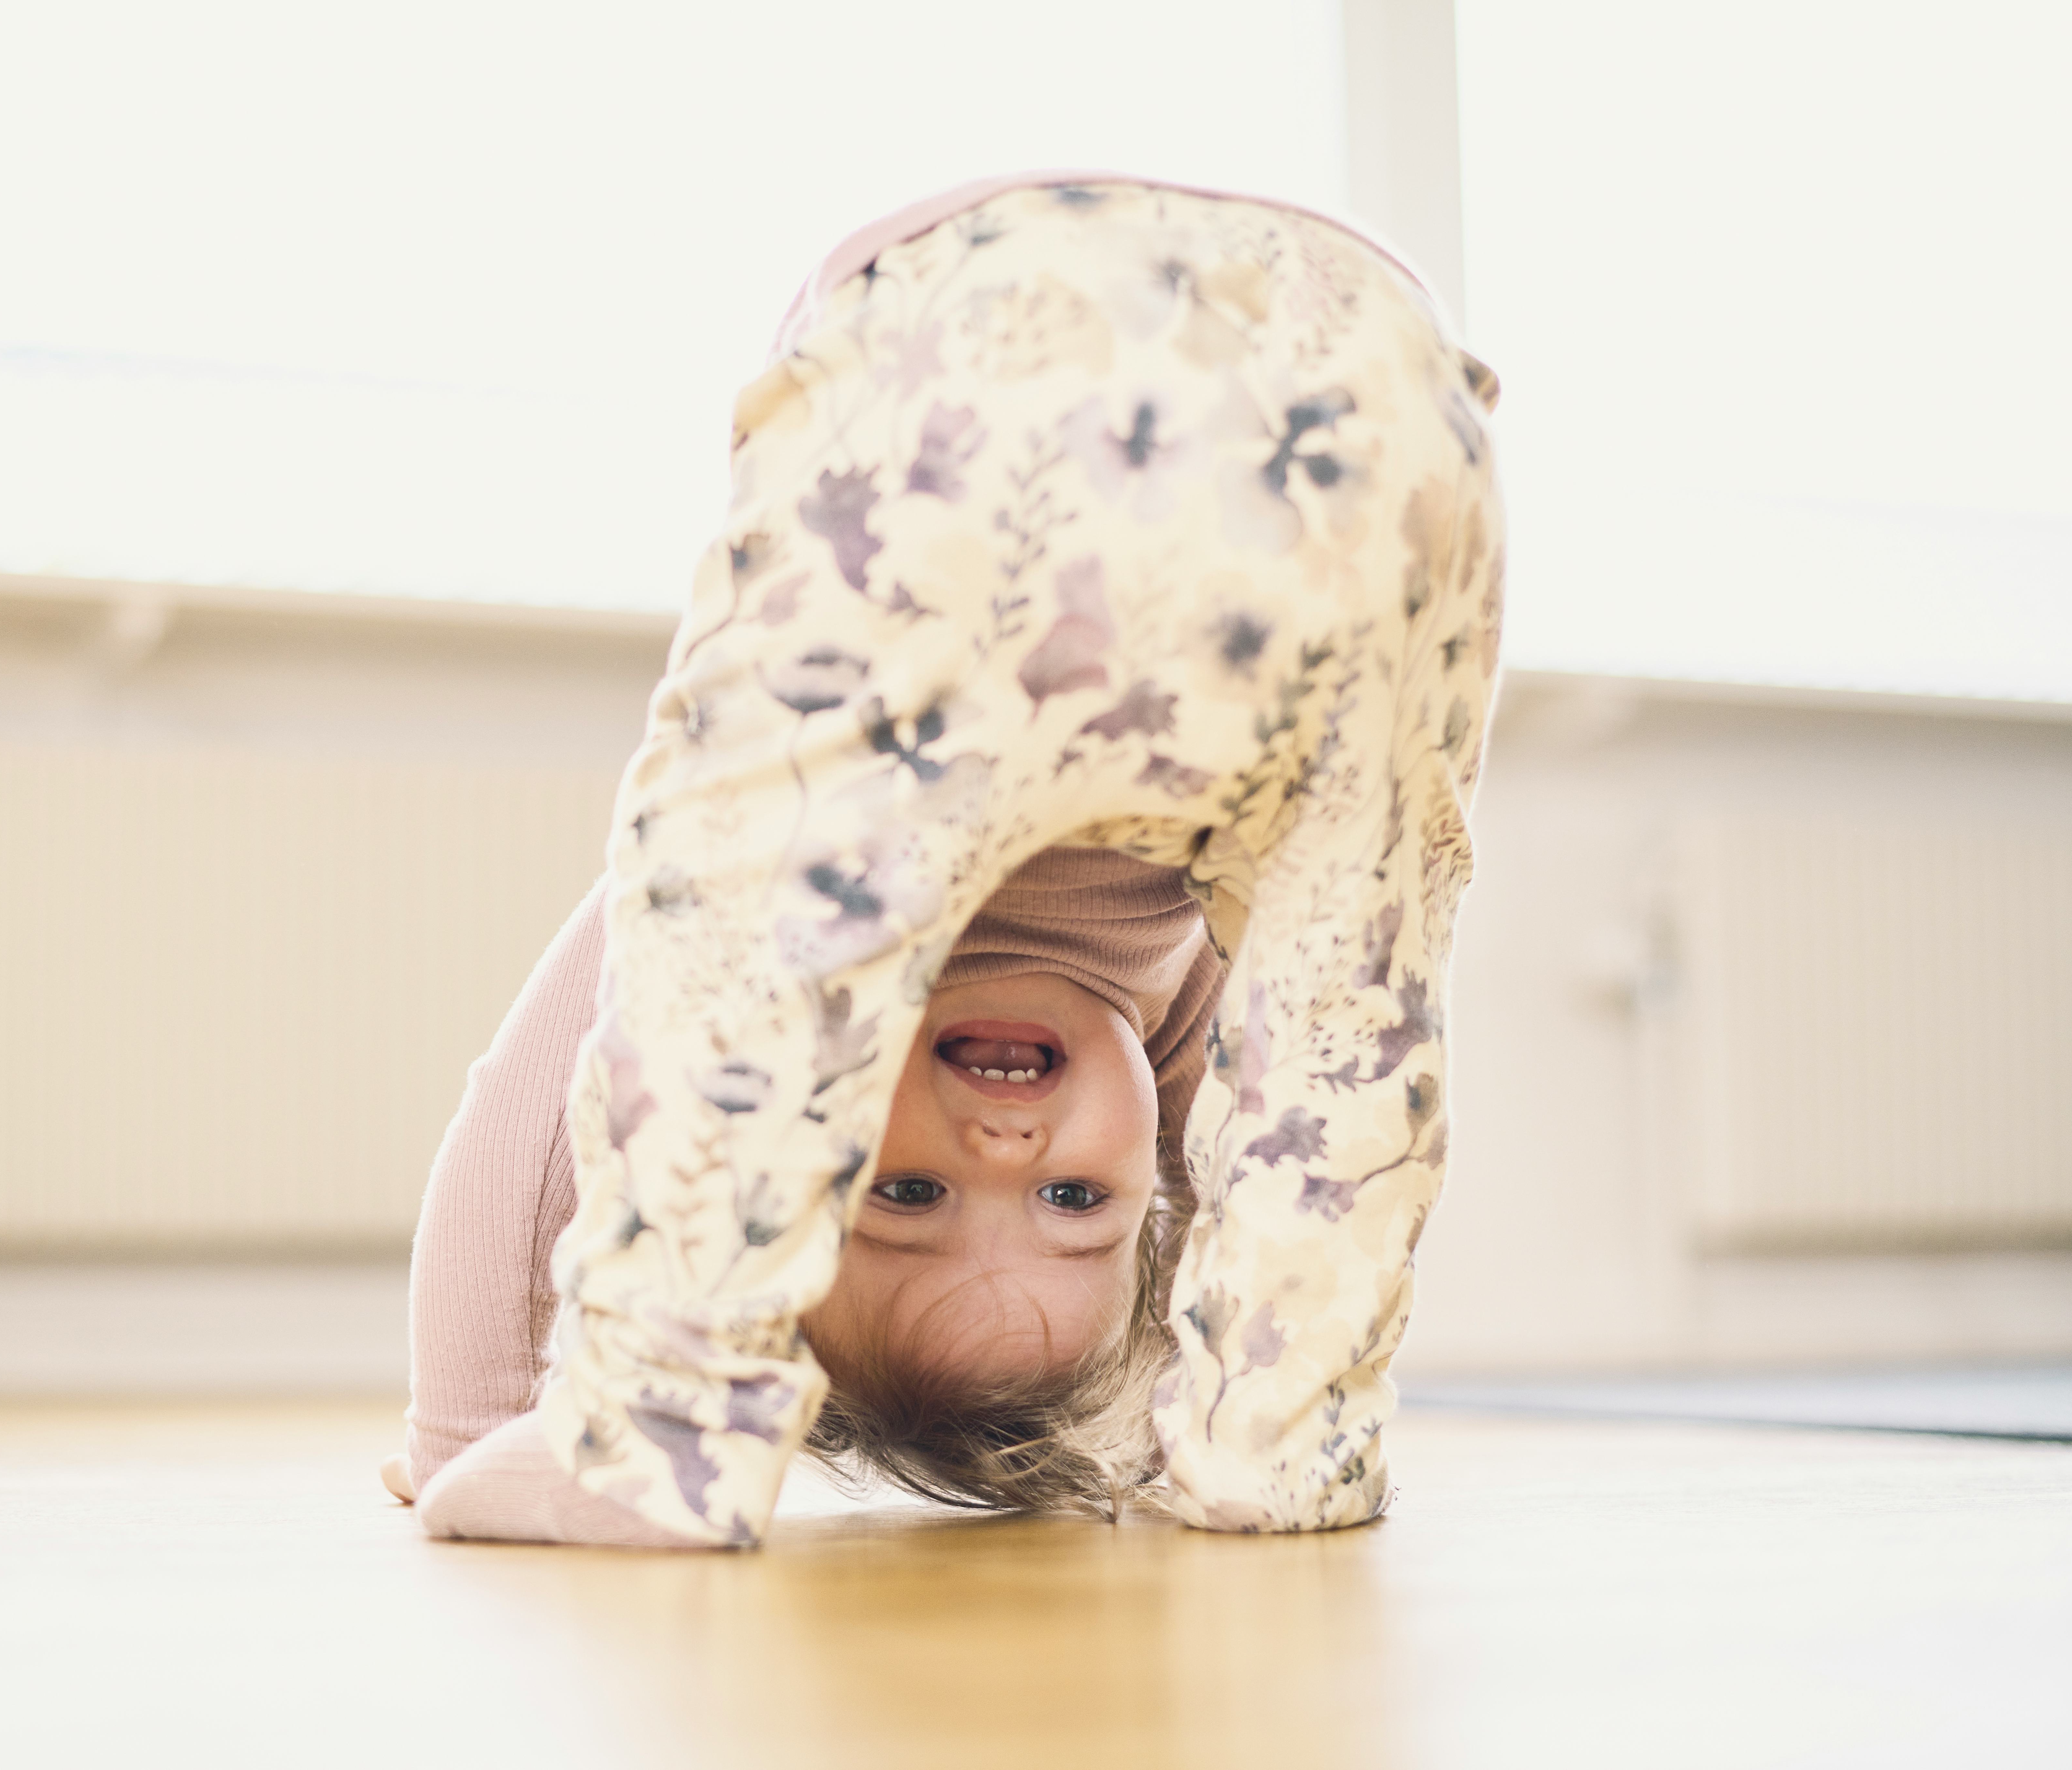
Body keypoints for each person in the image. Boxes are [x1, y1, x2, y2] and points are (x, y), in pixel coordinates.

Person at [390, 171, 1505, 1547]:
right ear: (1161, 1186)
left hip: (968, 359)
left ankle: (657, 1418)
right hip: (1366, 408)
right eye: (1075, 1202)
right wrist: (1205, 1368)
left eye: (907, 1196)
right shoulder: (1178, 1030)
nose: (1007, 1146)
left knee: (720, 950)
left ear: (804, 1160)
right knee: (1345, 992)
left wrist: (463, 1429)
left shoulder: (795, 900)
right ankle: (1276, 1437)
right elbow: (1298, 1145)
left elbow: (519, 1144)